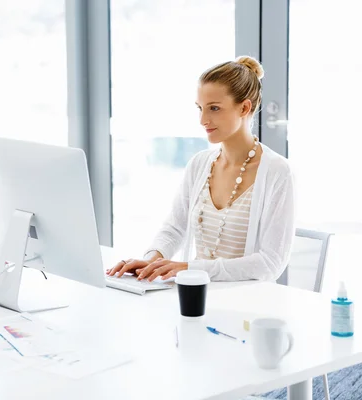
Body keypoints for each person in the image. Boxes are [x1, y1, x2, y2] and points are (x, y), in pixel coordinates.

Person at [108, 56, 295, 282]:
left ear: (244, 107)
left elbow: (270, 263)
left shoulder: (277, 172)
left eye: (214, 108)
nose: (203, 120)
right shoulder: (200, 164)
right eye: (200, 108)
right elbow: (175, 228)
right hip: (196, 297)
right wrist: (152, 260)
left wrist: (190, 268)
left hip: (248, 308)